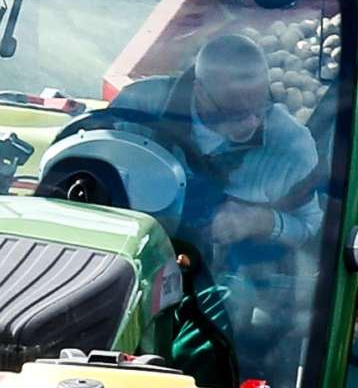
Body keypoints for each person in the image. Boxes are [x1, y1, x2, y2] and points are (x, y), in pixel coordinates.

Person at [106, 25, 322, 251]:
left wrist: (261, 221)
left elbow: (312, 231)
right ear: (199, 92)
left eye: (260, 108)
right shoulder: (137, 107)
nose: (252, 124)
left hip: (228, 272)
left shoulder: (291, 146)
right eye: (235, 114)